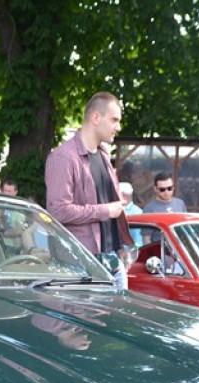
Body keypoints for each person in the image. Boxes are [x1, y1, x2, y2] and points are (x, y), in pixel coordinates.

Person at [44, 91, 134, 289]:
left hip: (112, 261)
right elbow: (57, 211)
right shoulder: (63, 157)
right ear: (95, 117)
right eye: (114, 120)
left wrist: (120, 249)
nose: (118, 127)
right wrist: (105, 210)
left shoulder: (103, 155)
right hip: (81, 266)